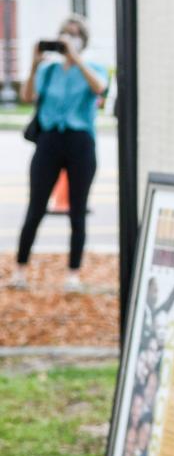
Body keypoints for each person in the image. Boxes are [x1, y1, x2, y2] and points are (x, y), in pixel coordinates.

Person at [9, 15, 107, 293]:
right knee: (35, 207)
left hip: (80, 142)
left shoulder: (93, 67)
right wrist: (33, 63)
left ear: (83, 40)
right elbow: (27, 96)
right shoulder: (48, 71)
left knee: (78, 210)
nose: (68, 37)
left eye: (74, 34)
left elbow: (100, 88)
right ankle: (20, 270)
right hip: (49, 141)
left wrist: (76, 58)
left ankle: (73, 274)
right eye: (64, 33)